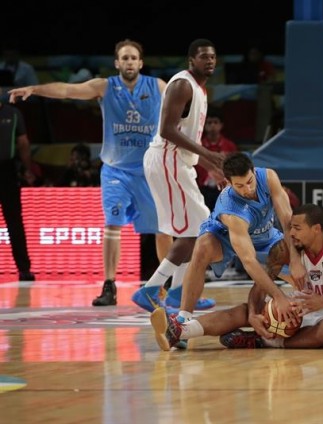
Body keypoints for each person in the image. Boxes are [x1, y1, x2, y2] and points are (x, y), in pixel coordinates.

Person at [9, 39, 173, 306]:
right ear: (117, 62)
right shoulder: (105, 86)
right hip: (115, 171)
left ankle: (165, 284)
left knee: (163, 229)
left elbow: (183, 112)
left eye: (134, 58)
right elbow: (66, 90)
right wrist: (35, 89)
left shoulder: (158, 87)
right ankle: (109, 286)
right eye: (125, 58)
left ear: (141, 63)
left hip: (148, 170)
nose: (129, 62)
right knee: (112, 225)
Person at [150, 203, 323, 350]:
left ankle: (267, 342)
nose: (291, 234)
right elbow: (261, 284)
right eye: (290, 228)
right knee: (244, 311)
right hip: (293, 309)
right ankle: (180, 331)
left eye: (297, 229)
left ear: (316, 229)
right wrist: (254, 313)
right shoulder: (285, 249)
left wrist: (321, 302)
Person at [154, 151, 308, 333]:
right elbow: (249, 261)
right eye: (239, 186)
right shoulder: (231, 209)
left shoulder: (268, 177)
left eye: (250, 181)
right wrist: (279, 296)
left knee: (308, 283)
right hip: (225, 237)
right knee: (202, 247)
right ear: (228, 183)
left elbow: (287, 219)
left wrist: (296, 259)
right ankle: (183, 319)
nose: (247, 189)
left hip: (265, 237)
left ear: (253, 171)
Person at [132, 39, 225, 314]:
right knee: (198, 229)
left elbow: (189, 136)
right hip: (167, 159)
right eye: (204, 57)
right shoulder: (182, 85)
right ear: (191, 60)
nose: (210, 61)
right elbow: (167, 131)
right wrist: (209, 156)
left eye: (213, 57)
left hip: (176, 162)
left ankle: (177, 294)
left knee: (195, 230)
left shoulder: (200, 88)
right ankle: (151, 290)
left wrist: (210, 166)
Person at [0, 87, 35, 281]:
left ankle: (24, 269)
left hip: (7, 171)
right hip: (8, 172)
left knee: (14, 222)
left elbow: (23, 143)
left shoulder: (12, 113)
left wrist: (28, 169)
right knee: (14, 222)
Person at [195, 106, 238, 211]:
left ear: (221, 125)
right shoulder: (198, 146)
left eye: (215, 122)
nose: (213, 126)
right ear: (204, 125)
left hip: (224, 189)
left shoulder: (230, 146)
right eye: (209, 123)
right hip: (203, 190)